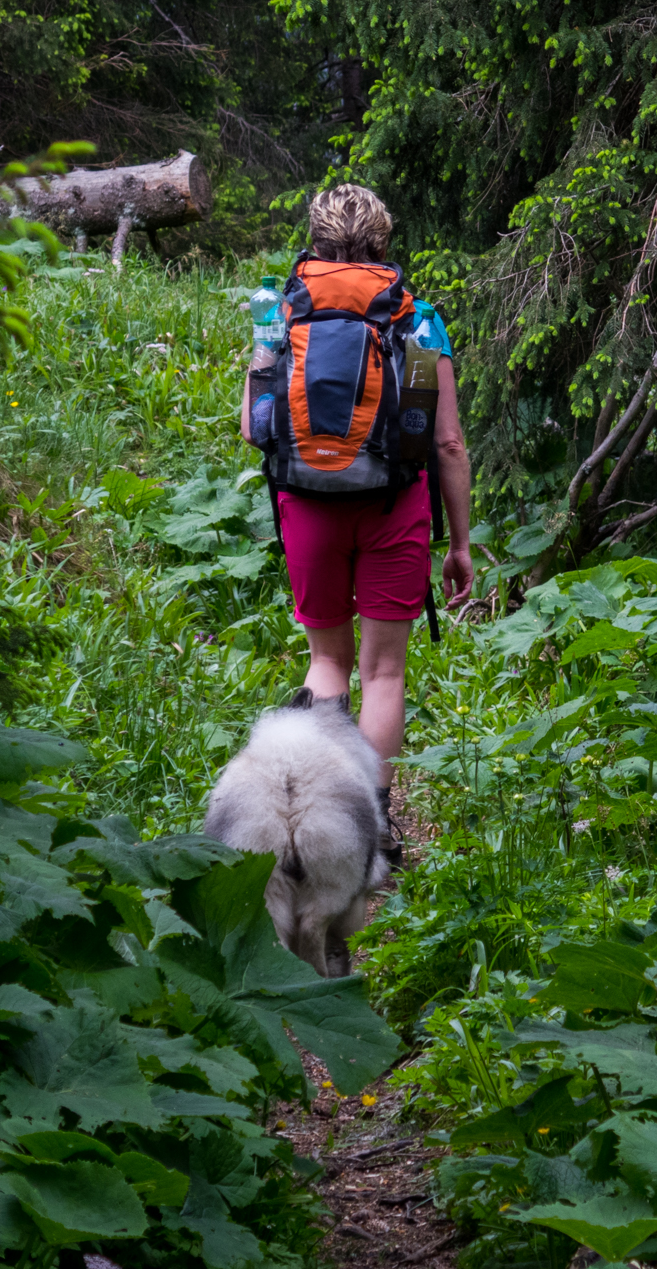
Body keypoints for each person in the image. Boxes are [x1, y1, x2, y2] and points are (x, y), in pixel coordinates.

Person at [257, 184, 473, 851]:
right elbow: (444, 443)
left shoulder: (280, 309)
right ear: (382, 241)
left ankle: (317, 812)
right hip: (392, 505)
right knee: (384, 672)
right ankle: (373, 827)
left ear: (315, 240)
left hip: (306, 503)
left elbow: (253, 426)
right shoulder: (416, 317)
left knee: (328, 662)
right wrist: (459, 542)